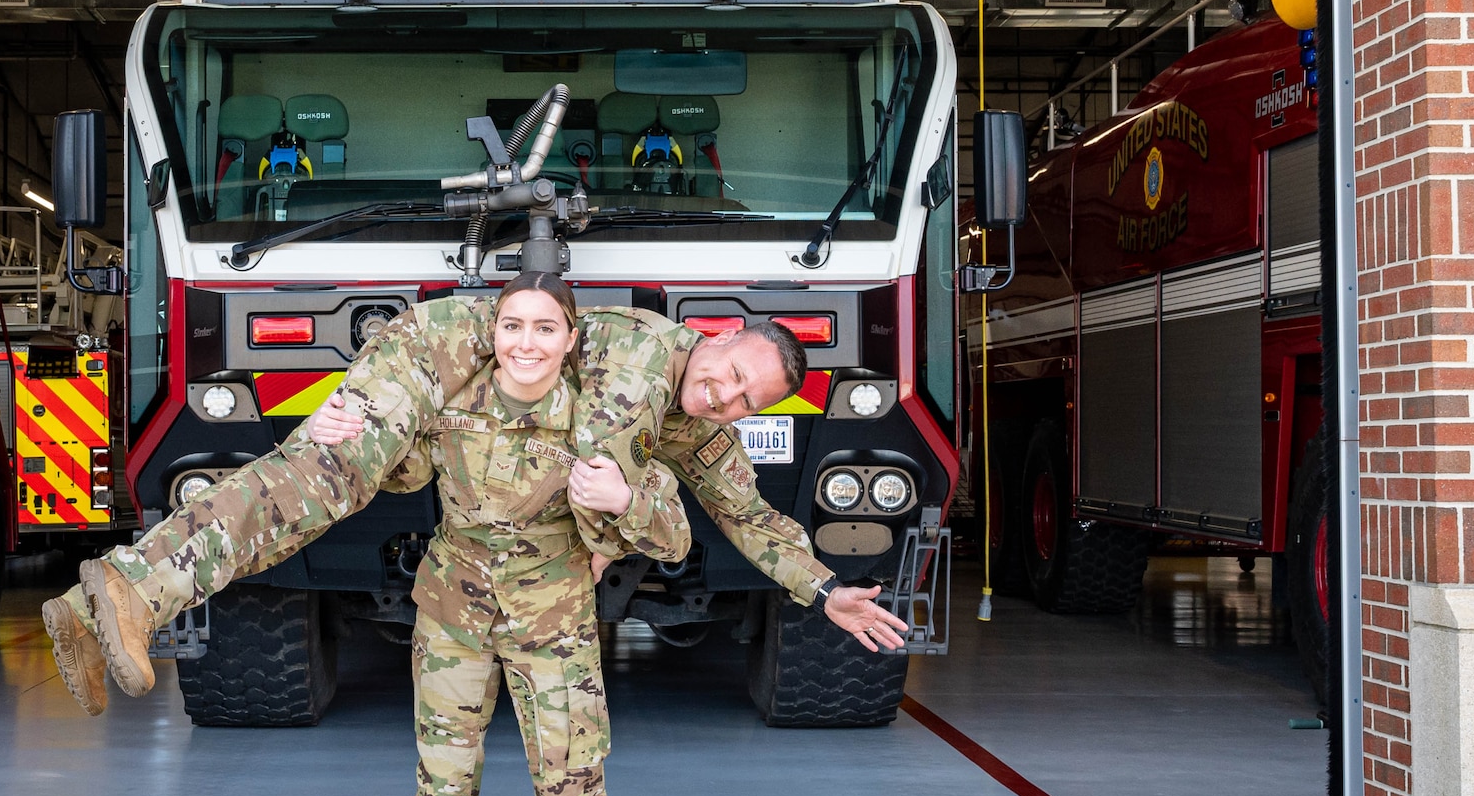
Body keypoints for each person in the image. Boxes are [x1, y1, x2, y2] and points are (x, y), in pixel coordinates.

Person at [52, 297, 907, 714]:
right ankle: (135, 587)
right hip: (440, 357)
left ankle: (88, 613)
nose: (724, 397)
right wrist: (622, 525)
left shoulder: (699, 427)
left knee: (340, 490)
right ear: (715, 340)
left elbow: (755, 520)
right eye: (729, 373)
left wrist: (825, 590)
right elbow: (597, 472)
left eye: (744, 401)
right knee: (332, 475)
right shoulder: (650, 357)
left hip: (475, 408)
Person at [379, 273, 685, 796]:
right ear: (493, 333)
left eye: (545, 328)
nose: (525, 343)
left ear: (572, 339)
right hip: (453, 620)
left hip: (553, 630)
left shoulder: (602, 415)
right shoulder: (452, 398)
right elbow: (400, 467)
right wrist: (351, 425)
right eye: (512, 325)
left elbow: (674, 534)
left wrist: (623, 503)